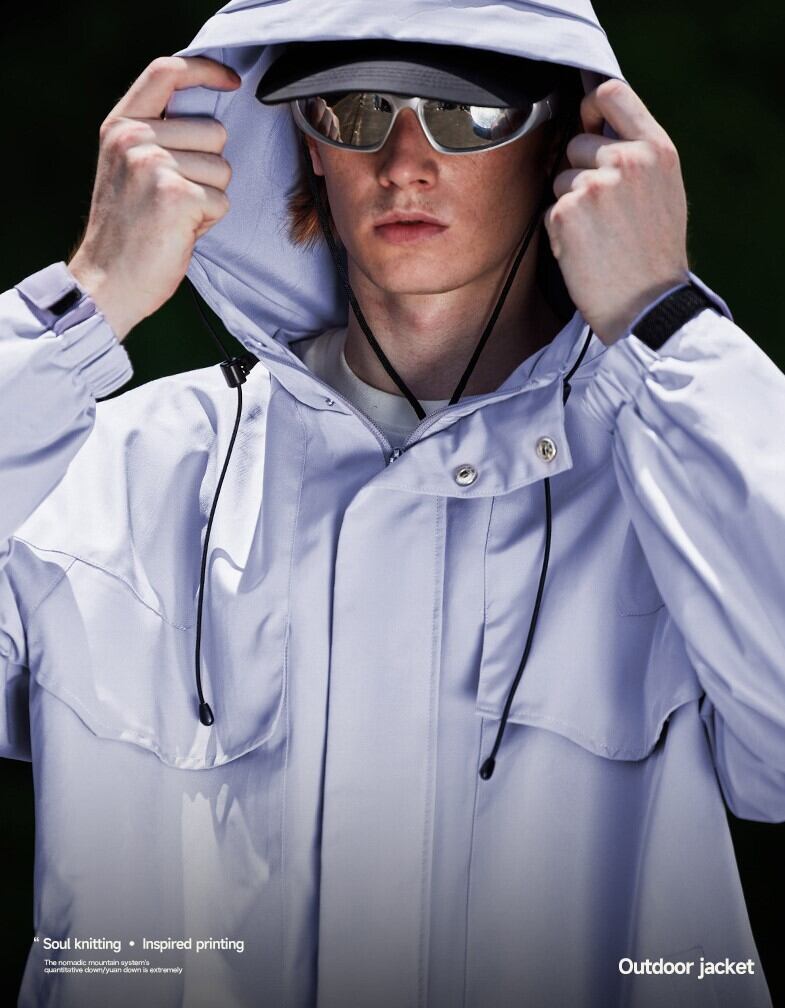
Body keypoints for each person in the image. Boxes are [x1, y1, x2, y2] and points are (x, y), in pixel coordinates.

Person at [1, 1, 783, 1007]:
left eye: (468, 115)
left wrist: (660, 319)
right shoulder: (115, 478)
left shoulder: (670, 487)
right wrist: (86, 301)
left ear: (564, 144)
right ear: (304, 143)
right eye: (357, 109)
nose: (404, 162)